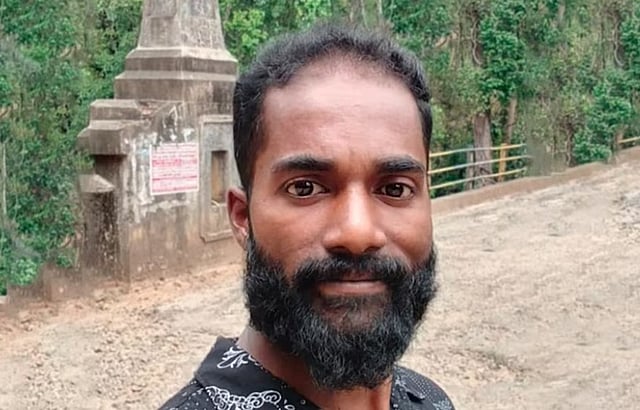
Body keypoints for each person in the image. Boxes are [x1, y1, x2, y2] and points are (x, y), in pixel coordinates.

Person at [160, 22, 454, 410]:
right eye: (305, 188)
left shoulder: (427, 399)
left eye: (395, 189)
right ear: (243, 218)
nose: (357, 233)